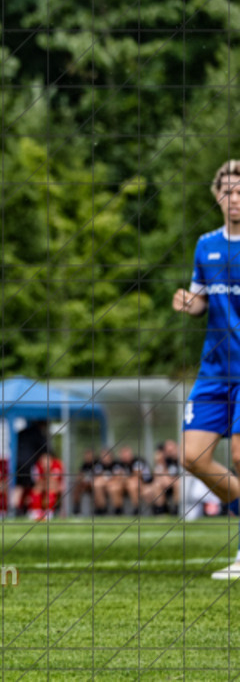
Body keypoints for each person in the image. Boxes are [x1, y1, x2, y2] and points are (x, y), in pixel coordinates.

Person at [173, 159, 240, 578]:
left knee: (238, 455)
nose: (235, 199)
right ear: (217, 196)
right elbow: (201, 301)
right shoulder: (206, 246)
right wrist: (188, 303)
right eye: (229, 191)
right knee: (192, 456)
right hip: (214, 373)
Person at [28, 452, 64, 521]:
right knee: (37, 488)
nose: (44, 462)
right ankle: (36, 511)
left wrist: (46, 473)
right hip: (44, 485)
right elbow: (37, 481)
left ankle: (49, 512)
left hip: (56, 486)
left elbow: (54, 481)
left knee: (51, 487)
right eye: (43, 460)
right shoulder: (37, 466)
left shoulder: (57, 465)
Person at [119, 445, 154, 514]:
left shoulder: (138, 461)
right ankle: (118, 511)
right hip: (135, 485)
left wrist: (124, 478)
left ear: (130, 453)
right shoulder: (121, 464)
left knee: (134, 485)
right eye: (123, 454)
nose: (124, 456)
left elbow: (137, 476)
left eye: (126, 453)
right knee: (116, 487)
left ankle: (138, 509)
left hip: (147, 483)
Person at [151, 440, 182, 515]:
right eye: (168, 450)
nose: (171, 451)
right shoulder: (164, 461)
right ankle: (161, 511)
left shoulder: (182, 459)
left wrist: (172, 480)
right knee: (157, 485)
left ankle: (177, 509)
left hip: (179, 484)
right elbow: (157, 475)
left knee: (178, 483)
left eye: (172, 449)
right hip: (167, 485)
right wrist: (160, 461)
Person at [92, 448, 125, 515]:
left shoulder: (116, 464)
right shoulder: (98, 465)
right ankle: (101, 508)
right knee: (97, 485)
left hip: (115, 485)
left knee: (114, 488)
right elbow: (96, 477)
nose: (105, 457)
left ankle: (118, 509)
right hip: (104, 485)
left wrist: (109, 481)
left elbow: (119, 477)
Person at [70, 449, 95, 515]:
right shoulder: (84, 465)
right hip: (85, 485)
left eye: (89, 455)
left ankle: (98, 509)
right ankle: (76, 507)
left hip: (94, 485)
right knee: (77, 486)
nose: (87, 457)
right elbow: (79, 476)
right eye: (86, 455)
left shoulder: (97, 463)